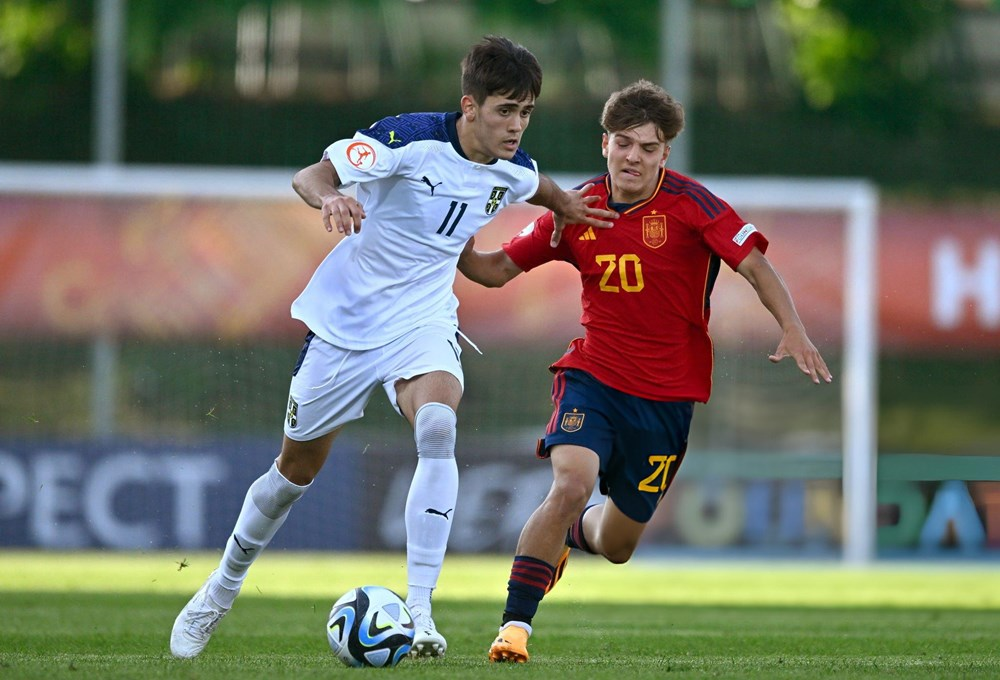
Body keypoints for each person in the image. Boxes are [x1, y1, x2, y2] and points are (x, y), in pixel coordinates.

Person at [169, 35, 615, 660]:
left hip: (423, 320)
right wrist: (334, 196)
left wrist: (566, 202)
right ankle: (219, 590)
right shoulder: (408, 139)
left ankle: (421, 612)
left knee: (438, 426)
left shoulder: (514, 169)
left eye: (527, 112)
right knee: (292, 475)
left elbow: (534, 185)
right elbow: (312, 174)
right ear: (470, 105)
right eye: (505, 110)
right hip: (345, 326)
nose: (516, 125)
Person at [456, 79, 833, 663]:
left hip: (666, 400)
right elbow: (493, 271)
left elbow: (755, 266)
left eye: (648, 148)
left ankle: (570, 536)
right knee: (569, 483)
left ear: (665, 155)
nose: (634, 157)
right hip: (594, 377)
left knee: (616, 544)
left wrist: (792, 327)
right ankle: (514, 629)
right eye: (624, 144)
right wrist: (447, 232)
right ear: (604, 143)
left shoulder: (693, 206)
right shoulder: (575, 207)